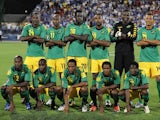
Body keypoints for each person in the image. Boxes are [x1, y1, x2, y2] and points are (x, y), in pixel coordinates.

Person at [87, 14, 111, 107]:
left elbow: (107, 43)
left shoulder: (106, 30)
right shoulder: (91, 30)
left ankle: (108, 99)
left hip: (104, 57)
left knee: (106, 78)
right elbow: (89, 43)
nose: (98, 20)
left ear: (102, 19)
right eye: (96, 18)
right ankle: (94, 99)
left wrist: (96, 41)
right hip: (93, 58)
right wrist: (101, 42)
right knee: (94, 78)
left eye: (99, 18)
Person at [136, 12, 160, 103]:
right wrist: (152, 42)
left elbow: (159, 42)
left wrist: (146, 40)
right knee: (142, 81)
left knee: (159, 78)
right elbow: (138, 43)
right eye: (147, 18)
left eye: (150, 19)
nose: (148, 20)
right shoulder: (141, 30)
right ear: (145, 20)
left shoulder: (157, 31)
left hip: (155, 60)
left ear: (153, 21)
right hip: (144, 60)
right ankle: (141, 102)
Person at [45, 13, 66, 105]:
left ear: (60, 20)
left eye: (57, 19)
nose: (55, 21)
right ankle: (51, 97)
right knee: (50, 78)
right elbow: (46, 44)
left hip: (60, 57)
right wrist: (58, 42)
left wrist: (52, 41)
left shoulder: (63, 30)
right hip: (50, 58)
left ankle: (64, 96)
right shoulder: (49, 30)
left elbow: (64, 43)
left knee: (62, 78)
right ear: (52, 21)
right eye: (54, 19)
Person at [110, 10, 137, 77]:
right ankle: (117, 88)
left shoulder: (133, 25)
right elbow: (111, 37)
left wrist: (123, 35)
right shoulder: (116, 25)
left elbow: (134, 37)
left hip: (129, 54)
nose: (126, 16)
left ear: (130, 16)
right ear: (121, 16)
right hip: (118, 53)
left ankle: (129, 88)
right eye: (124, 15)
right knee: (117, 75)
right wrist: (118, 38)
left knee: (129, 75)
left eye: (127, 15)